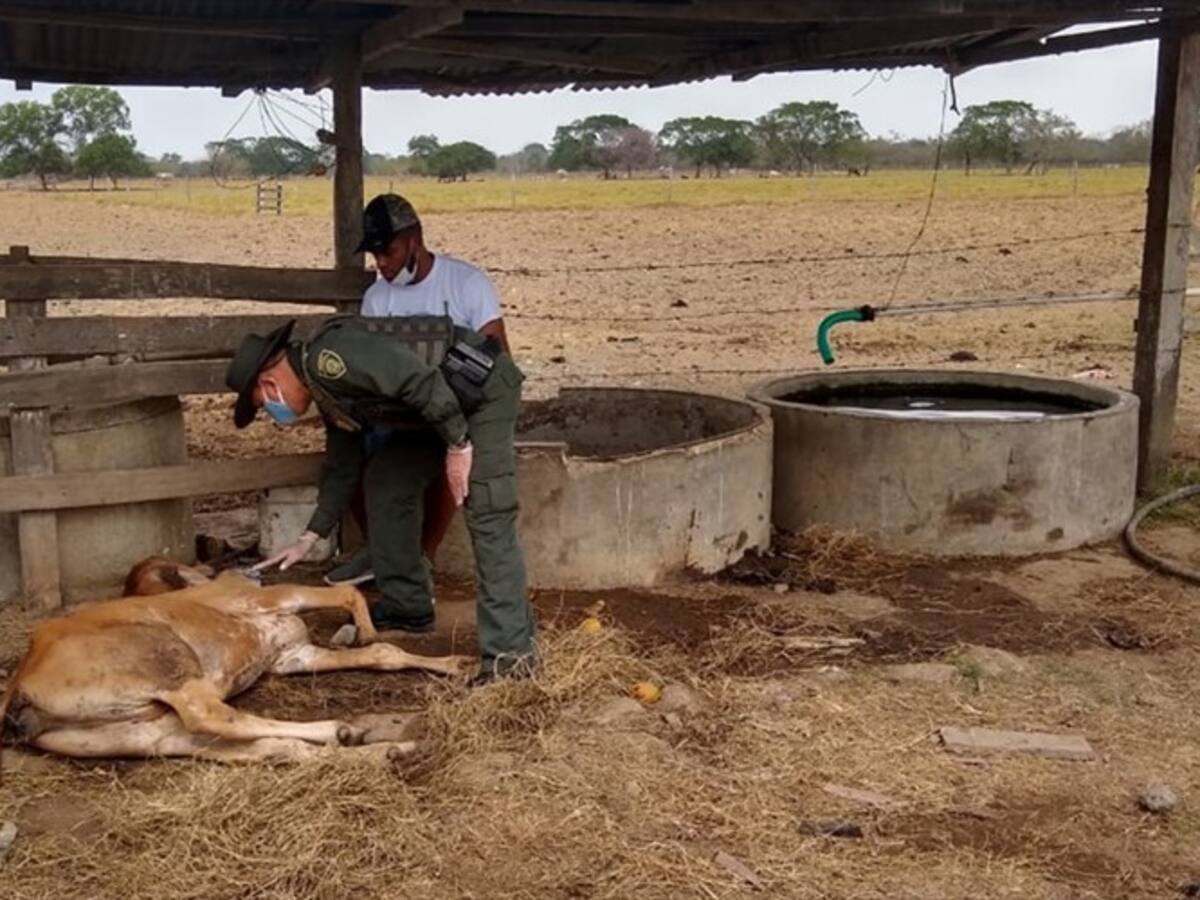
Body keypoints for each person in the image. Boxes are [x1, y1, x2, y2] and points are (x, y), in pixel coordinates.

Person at [224, 315, 536, 686]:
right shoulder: (325, 389)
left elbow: (418, 379)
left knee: (487, 508)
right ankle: (408, 605)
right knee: (387, 482)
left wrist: (458, 445)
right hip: (437, 406)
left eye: (264, 403)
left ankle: (510, 659)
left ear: (270, 381)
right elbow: (343, 466)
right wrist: (310, 536)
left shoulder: (332, 357)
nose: (273, 413)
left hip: (480, 393)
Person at [325, 193, 509, 588]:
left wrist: (454, 406)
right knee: (352, 456)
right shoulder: (377, 297)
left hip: (457, 409)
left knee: (450, 461)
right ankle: (386, 553)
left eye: (388, 252)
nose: (383, 265)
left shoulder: (466, 283)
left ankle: (422, 555)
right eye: (375, 257)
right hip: (397, 413)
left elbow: (497, 355)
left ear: (415, 238)